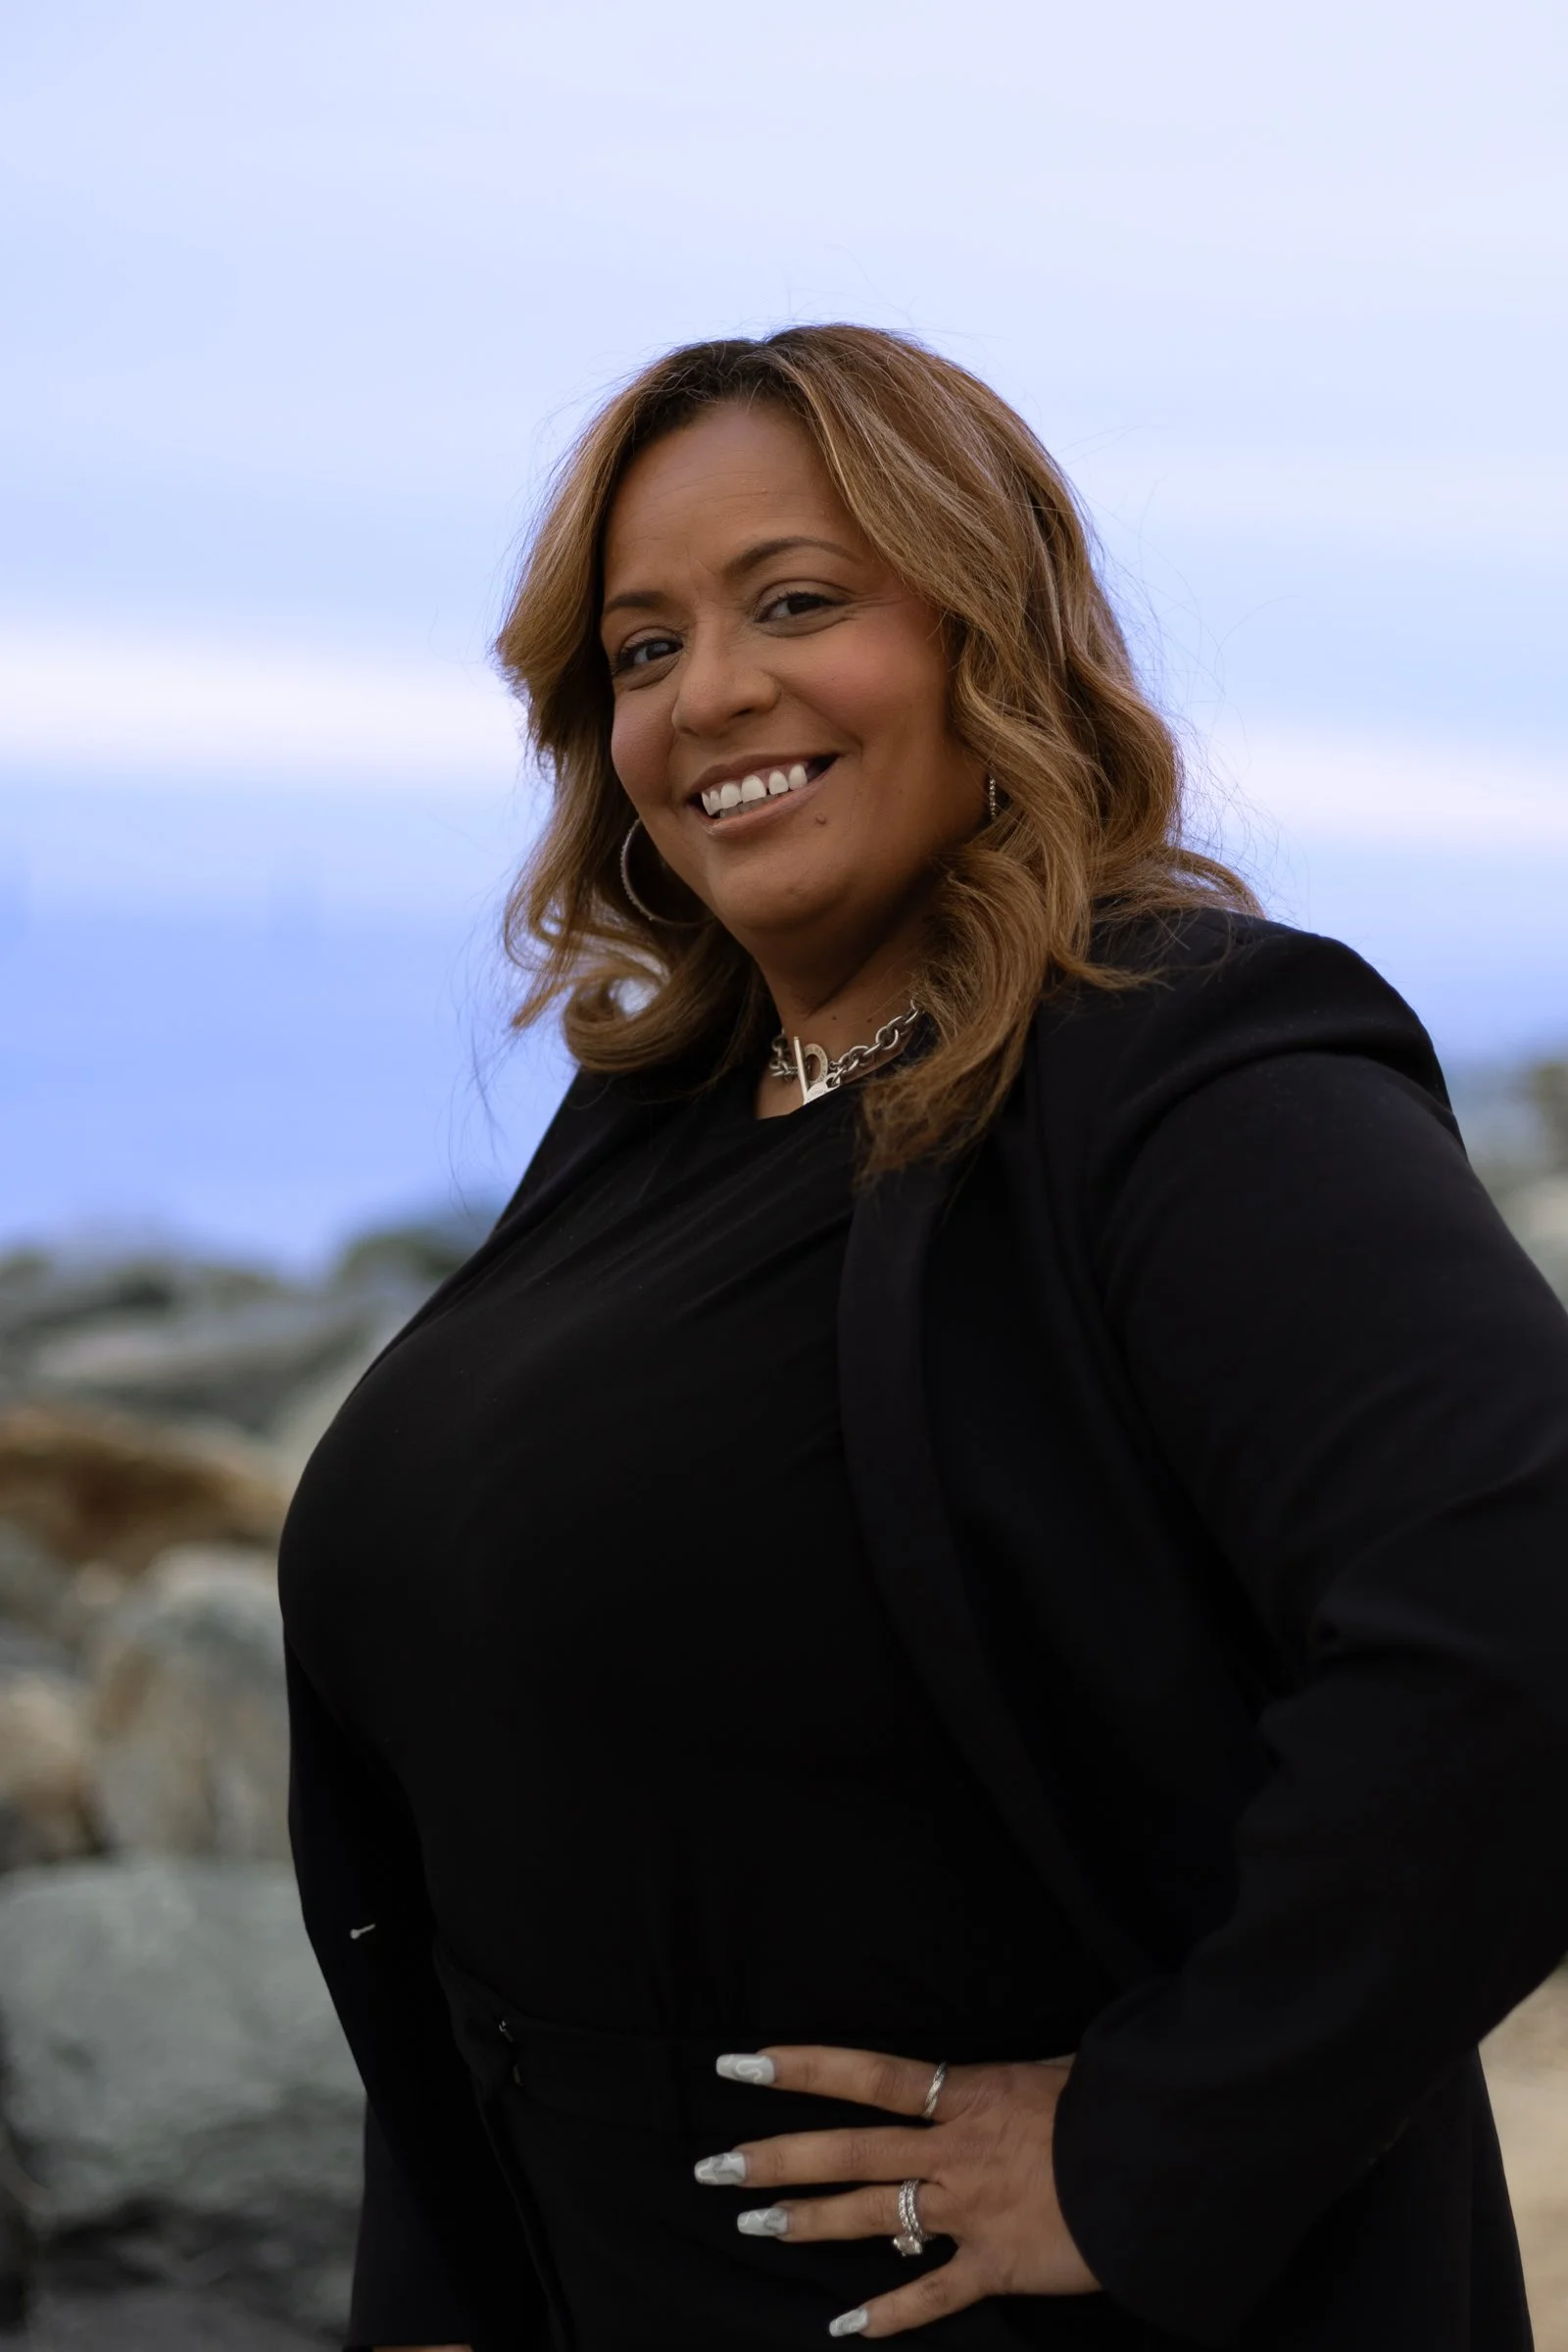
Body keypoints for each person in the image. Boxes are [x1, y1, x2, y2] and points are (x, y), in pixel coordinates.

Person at [278, 324, 1568, 2352]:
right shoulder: (661, 1122)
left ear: (990, 637)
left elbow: (1519, 1609)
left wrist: (1158, 2143)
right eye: (638, 649)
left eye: (796, 603)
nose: (711, 694)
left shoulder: (1178, 1062)